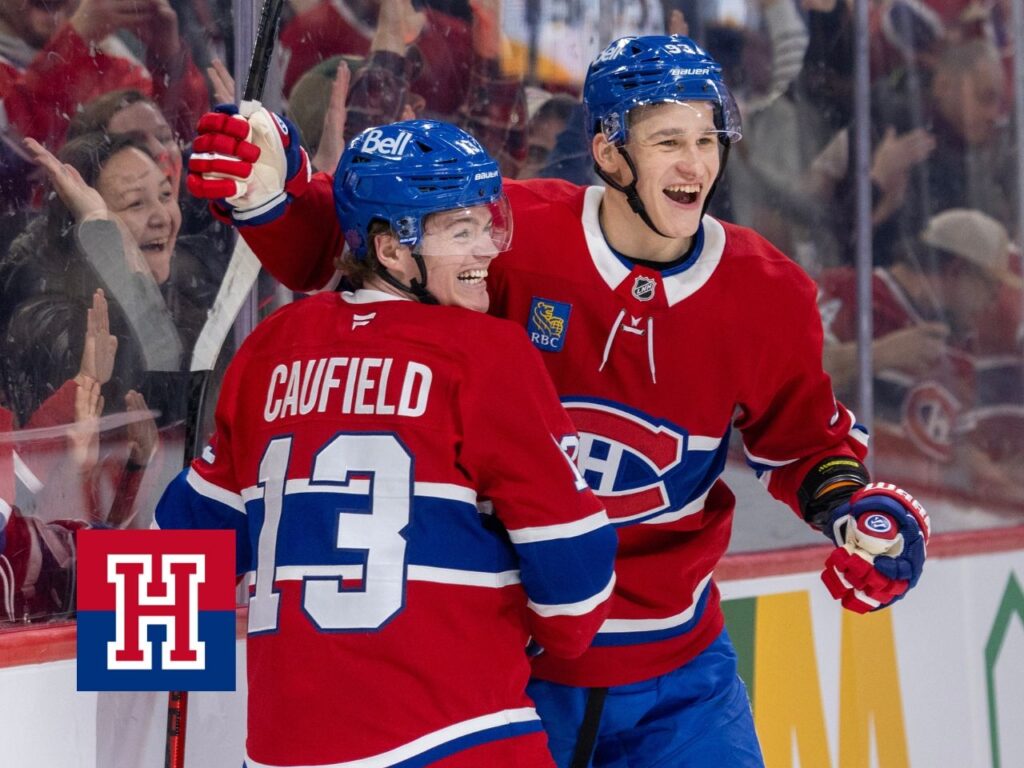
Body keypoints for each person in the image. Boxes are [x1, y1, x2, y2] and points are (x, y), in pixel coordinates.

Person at [187, 36, 932, 767]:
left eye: (707, 139)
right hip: (521, 670)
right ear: (609, 153)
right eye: (668, 141)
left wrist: (854, 513)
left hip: (679, 671)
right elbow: (365, 247)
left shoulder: (766, 291)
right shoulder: (511, 232)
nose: (696, 165)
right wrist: (276, 195)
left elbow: (806, 446)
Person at [159, 119, 617, 767]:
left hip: (284, 753)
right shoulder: (486, 354)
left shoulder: (270, 347)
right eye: (460, 231)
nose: (489, 248)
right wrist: (536, 632)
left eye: (488, 223)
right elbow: (576, 594)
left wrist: (49, 574)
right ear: (391, 250)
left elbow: (178, 555)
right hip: (460, 740)